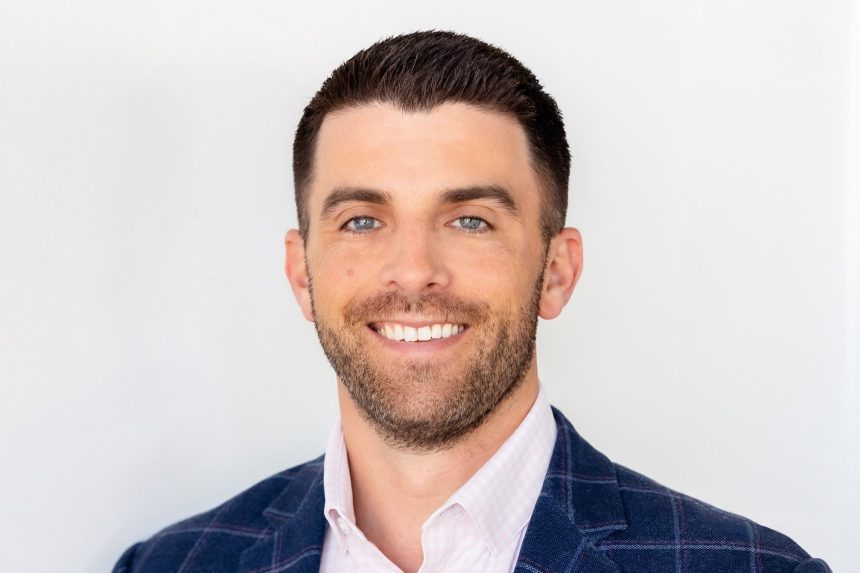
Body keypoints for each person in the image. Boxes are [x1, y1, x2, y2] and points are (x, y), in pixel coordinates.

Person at [113, 31, 830, 573]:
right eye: (361, 220)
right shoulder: (169, 564)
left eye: (469, 221)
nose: (414, 271)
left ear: (556, 271)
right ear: (302, 274)